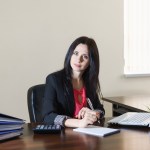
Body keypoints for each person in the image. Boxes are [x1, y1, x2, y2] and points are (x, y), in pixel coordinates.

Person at [42, 36, 105, 128]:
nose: (79, 60)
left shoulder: (89, 82)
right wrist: (79, 123)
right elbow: (48, 116)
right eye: (75, 53)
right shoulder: (54, 80)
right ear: (70, 54)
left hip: (87, 134)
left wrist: (94, 113)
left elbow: (100, 109)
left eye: (85, 56)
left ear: (91, 62)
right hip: (62, 137)